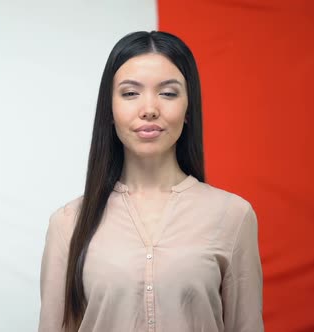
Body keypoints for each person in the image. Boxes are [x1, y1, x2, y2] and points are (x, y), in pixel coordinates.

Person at [38, 31, 263, 332]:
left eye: (168, 93)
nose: (149, 109)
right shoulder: (68, 224)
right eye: (130, 93)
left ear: (188, 108)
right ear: (110, 108)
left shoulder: (233, 216)